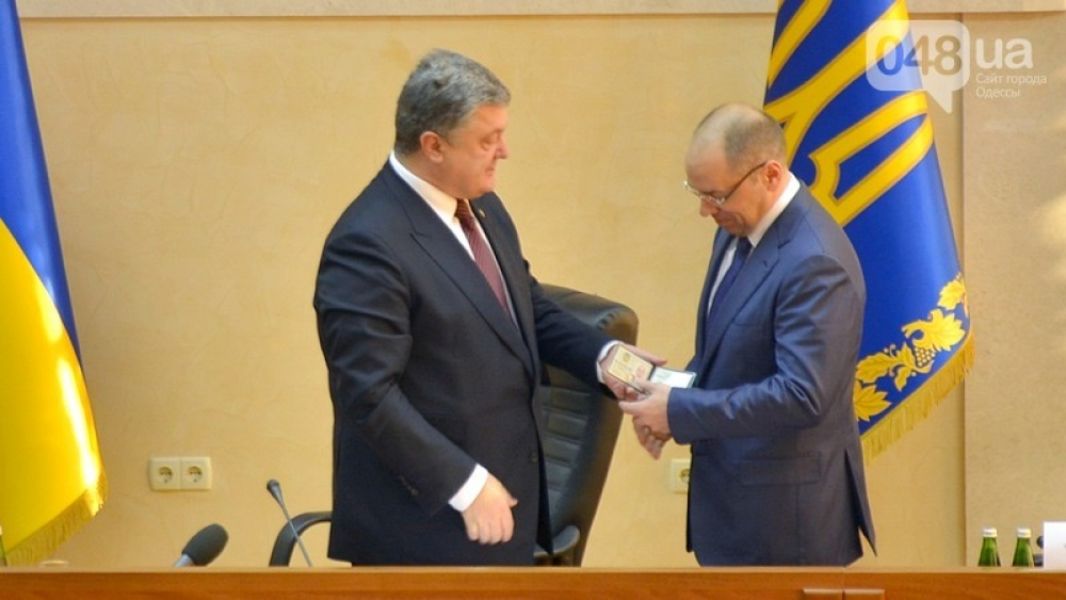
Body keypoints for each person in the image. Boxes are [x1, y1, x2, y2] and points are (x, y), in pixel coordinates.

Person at [313, 49, 652, 565]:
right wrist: (465, 484)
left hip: (506, 508)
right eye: (488, 140)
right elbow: (367, 394)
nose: (505, 152)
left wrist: (606, 359)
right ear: (434, 146)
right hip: (425, 528)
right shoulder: (367, 243)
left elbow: (525, 307)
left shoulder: (482, 204)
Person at [619, 103, 876, 566]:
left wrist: (679, 411)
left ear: (770, 175)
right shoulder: (737, 227)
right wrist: (666, 393)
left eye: (716, 196)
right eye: (697, 193)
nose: (705, 210)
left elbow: (801, 395)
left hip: (786, 527)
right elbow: (728, 351)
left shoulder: (816, 262)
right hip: (735, 511)